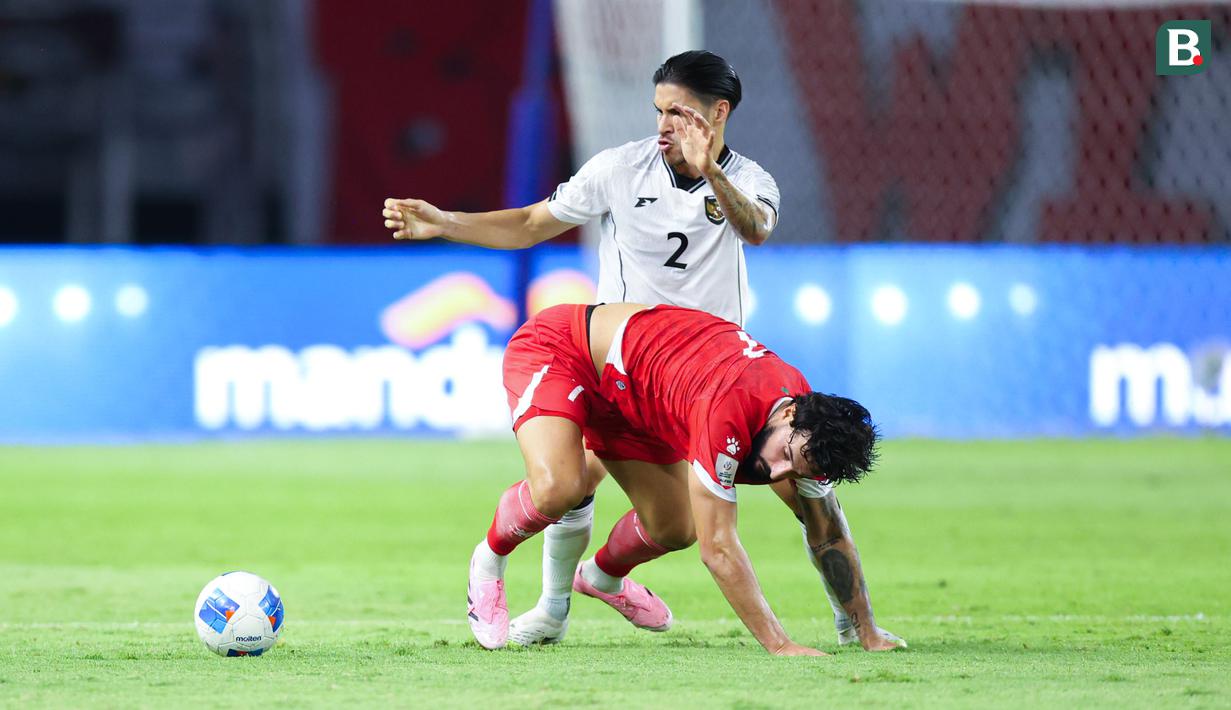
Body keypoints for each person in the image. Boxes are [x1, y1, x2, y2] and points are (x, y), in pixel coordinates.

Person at [383, 50, 901, 650]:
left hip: (708, 381)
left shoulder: (750, 181)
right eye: (659, 111)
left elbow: (754, 228)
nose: (663, 127)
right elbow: (529, 224)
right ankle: (552, 607)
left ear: (718, 113)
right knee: (571, 483)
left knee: (802, 494)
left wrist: (711, 172)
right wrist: (446, 223)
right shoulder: (619, 169)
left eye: (678, 113)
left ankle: (854, 624)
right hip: (620, 364)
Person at [468, 301, 900, 655]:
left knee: (677, 527)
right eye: (786, 455)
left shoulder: (806, 429)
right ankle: (488, 563)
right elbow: (720, 550)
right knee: (560, 487)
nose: (779, 473)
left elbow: (826, 530)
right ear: (788, 413)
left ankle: (600, 578)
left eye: (797, 469)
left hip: (635, 401)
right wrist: (779, 644)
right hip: (566, 350)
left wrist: (865, 630)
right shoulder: (730, 409)